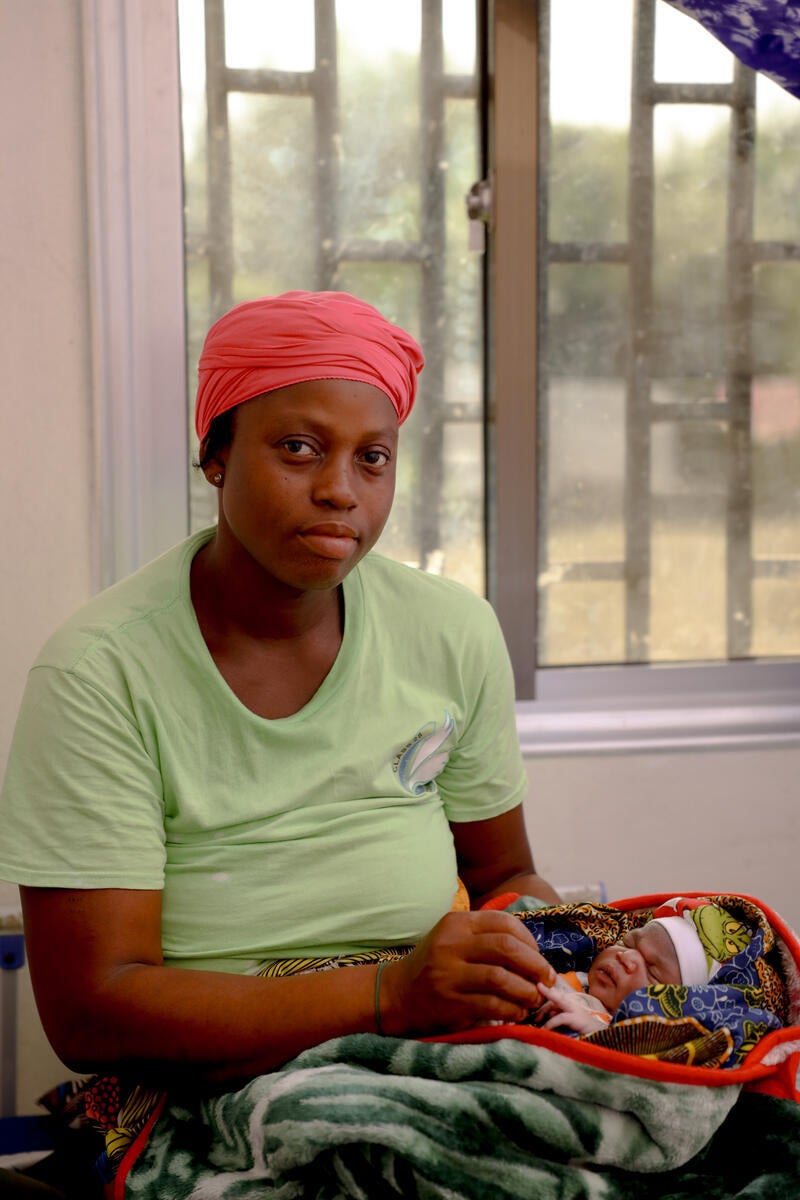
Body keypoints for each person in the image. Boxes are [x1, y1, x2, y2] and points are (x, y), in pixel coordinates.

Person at [0, 291, 561, 1105]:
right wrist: (387, 995)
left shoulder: (450, 633)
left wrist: (534, 964)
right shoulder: (100, 674)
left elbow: (506, 872)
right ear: (216, 455)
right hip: (211, 1090)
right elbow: (93, 1012)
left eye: (373, 457)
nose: (341, 490)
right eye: (299, 448)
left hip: (444, 1051)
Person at [534, 901, 753, 1036]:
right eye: (627, 943)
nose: (626, 957)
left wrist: (594, 1030)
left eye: (652, 972)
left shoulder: (644, 1039)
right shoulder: (568, 976)